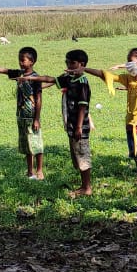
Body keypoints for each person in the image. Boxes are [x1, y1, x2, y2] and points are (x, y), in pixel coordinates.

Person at [76, 48, 137, 219]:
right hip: (131, 128)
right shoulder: (131, 80)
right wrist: (84, 70)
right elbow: (106, 75)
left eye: (130, 61)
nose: (127, 65)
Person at [0, 47, 52, 180]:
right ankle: (30, 171)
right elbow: (2, 70)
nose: (20, 63)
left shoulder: (36, 78)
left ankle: (39, 170)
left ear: (32, 61)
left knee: (36, 144)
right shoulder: (19, 74)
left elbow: (39, 99)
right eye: (19, 60)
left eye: (23, 60)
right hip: (21, 116)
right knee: (26, 145)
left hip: (31, 117)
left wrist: (37, 119)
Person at [56, 50, 94, 195]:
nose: (68, 66)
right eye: (67, 62)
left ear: (82, 65)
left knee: (83, 155)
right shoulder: (69, 78)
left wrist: (79, 127)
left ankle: (86, 187)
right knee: (76, 154)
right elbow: (52, 80)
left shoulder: (82, 82)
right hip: (72, 125)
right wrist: (34, 80)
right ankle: (83, 185)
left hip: (80, 126)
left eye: (72, 63)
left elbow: (82, 106)